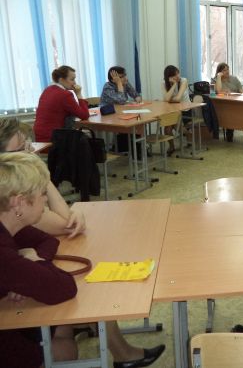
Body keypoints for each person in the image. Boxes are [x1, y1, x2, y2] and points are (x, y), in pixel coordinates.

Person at [0, 152, 165, 368]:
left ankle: (124, 355)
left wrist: (31, 265)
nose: (46, 200)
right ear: (19, 203)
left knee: (86, 304)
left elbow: (48, 241)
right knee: (67, 345)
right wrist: (34, 267)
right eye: (43, 194)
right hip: (7, 341)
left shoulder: (11, 226)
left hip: (12, 315)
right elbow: (64, 287)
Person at [0, 118, 86, 238]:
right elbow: (67, 224)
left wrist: (74, 213)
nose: (31, 151)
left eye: (29, 145)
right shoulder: (12, 193)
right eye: (22, 148)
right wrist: (40, 171)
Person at [33, 65, 90, 142]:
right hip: (53, 138)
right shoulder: (65, 95)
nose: (75, 82)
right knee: (87, 138)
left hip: (39, 137)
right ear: (61, 80)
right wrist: (79, 94)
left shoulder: (47, 90)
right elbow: (84, 115)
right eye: (72, 79)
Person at [161, 65, 190, 155]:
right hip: (172, 109)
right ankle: (172, 146)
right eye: (174, 75)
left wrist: (169, 99)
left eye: (178, 73)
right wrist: (173, 85)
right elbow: (166, 99)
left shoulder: (183, 81)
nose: (177, 76)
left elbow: (177, 99)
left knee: (173, 125)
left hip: (185, 109)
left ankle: (188, 134)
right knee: (167, 128)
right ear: (168, 77)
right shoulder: (164, 83)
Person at [214, 62, 243, 142]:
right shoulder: (216, 80)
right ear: (219, 72)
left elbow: (241, 90)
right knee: (230, 113)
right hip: (225, 105)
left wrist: (241, 93)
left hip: (237, 102)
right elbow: (218, 91)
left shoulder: (234, 79)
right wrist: (219, 77)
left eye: (228, 69)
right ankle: (229, 132)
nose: (227, 72)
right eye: (224, 70)